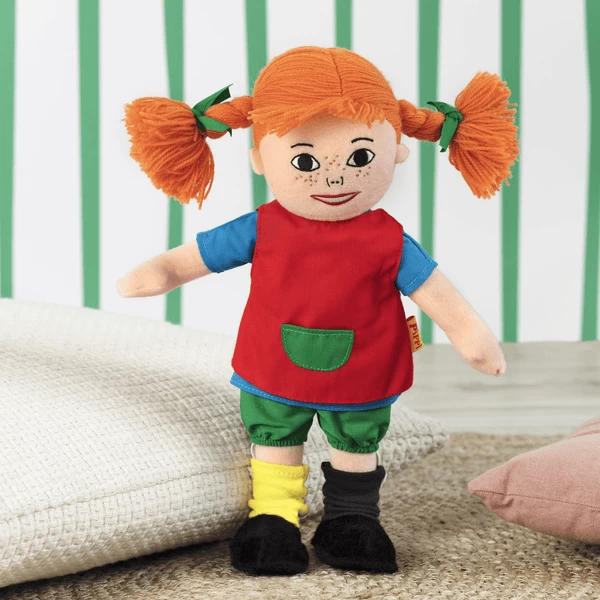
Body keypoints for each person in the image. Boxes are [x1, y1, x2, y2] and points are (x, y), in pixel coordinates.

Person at [117, 46, 518, 576]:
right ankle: (275, 516)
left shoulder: (388, 239)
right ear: (261, 158)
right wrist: (160, 273)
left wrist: (473, 340)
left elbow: (437, 294)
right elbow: (191, 260)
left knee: (357, 437)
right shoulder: (263, 226)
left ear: (396, 151)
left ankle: (353, 518)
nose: (332, 178)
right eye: (305, 161)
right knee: (274, 433)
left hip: (363, 369)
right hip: (273, 365)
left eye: (359, 157)